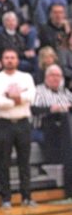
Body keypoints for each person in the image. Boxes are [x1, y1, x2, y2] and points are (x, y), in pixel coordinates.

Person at [0, 49, 36, 208]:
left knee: (25, 162)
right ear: (2, 60)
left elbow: (32, 97)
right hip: (4, 124)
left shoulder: (26, 77)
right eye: (7, 57)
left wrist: (10, 97)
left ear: (17, 60)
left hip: (23, 123)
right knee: (4, 163)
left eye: (12, 57)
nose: (9, 60)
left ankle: (27, 197)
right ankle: (6, 199)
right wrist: (18, 100)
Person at [32, 64, 72, 198]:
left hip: (64, 129)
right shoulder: (38, 91)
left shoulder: (65, 92)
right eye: (52, 75)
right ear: (46, 77)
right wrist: (51, 109)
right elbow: (33, 110)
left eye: (58, 76)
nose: (56, 78)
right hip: (41, 128)